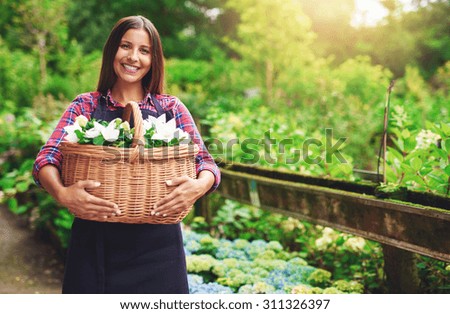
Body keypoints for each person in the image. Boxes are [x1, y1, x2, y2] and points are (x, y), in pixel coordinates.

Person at [32, 15, 220, 294]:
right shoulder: (85, 105)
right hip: (94, 245)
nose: (133, 57)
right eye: (125, 46)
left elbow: (206, 163)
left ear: (154, 59)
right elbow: (46, 159)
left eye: (144, 51)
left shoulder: (171, 108)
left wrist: (197, 186)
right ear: (112, 51)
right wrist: (62, 193)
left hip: (159, 249)